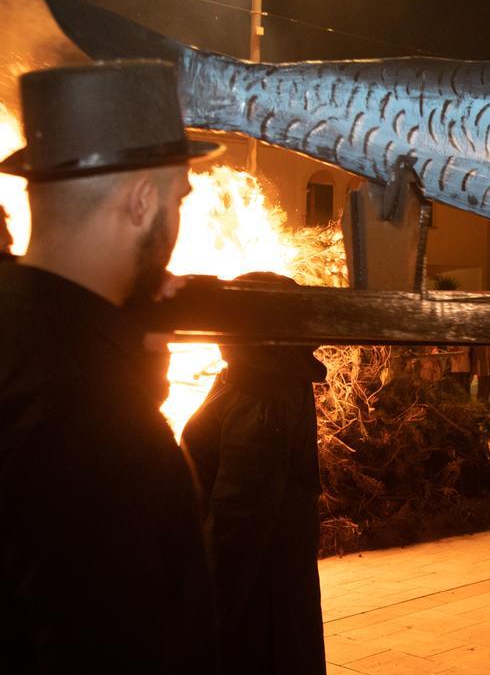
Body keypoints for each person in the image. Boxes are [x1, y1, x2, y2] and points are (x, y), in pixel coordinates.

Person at [0, 61, 222, 670]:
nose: (178, 220)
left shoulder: (40, 347)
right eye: (178, 197)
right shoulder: (93, 418)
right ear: (142, 201)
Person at [180, 273, 328, 673]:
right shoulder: (249, 378)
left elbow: (240, 518)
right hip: (265, 596)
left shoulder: (263, 393)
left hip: (259, 610)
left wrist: (205, 615)